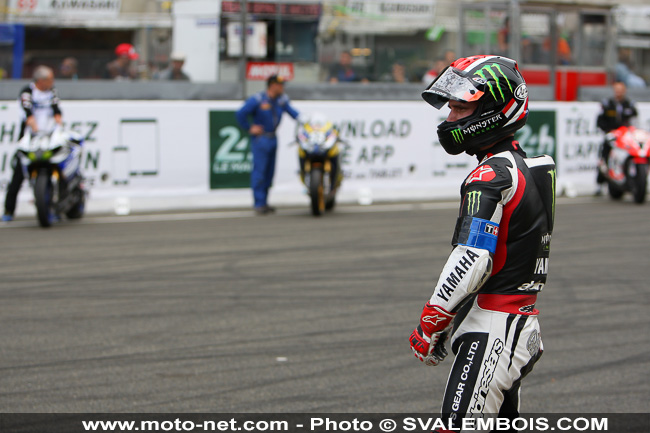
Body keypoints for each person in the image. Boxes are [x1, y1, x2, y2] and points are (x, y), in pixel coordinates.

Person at [410, 55, 555, 428]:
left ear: (492, 110)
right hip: (512, 321)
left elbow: (474, 256)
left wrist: (433, 319)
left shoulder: (490, 175)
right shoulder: (528, 165)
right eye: (451, 107)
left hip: (496, 328)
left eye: (460, 107)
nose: (451, 118)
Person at [3, 66, 63, 222]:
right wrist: (37, 131)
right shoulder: (27, 92)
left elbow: (57, 111)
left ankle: (57, 208)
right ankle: (9, 209)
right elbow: (28, 115)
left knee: (58, 169)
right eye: (50, 79)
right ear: (41, 80)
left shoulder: (52, 91)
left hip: (50, 138)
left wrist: (58, 129)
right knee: (18, 174)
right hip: (30, 138)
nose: (52, 82)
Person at [235, 75, 302, 215]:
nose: (282, 87)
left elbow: (295, 115)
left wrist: (308, 121)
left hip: (273, 138)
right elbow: (241, 113)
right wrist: (249, 127)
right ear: (273, 85)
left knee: (269, 172)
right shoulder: (258, 99)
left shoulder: (281, 101)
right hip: (261, 139)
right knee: (260, 171)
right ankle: (258, 203)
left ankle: (264, 202)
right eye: (280, 85)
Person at [595, 81, 638, 194]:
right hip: (611, 137)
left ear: (624, 90)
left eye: (621, 89)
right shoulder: (607, 104)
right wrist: (608, 131)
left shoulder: (630, 104)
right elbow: (599, 121)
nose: (619, 92)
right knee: (604, 158)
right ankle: (599, 184)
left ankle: (629, 181)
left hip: (625, 138)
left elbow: (635, 120)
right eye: (617, 89)